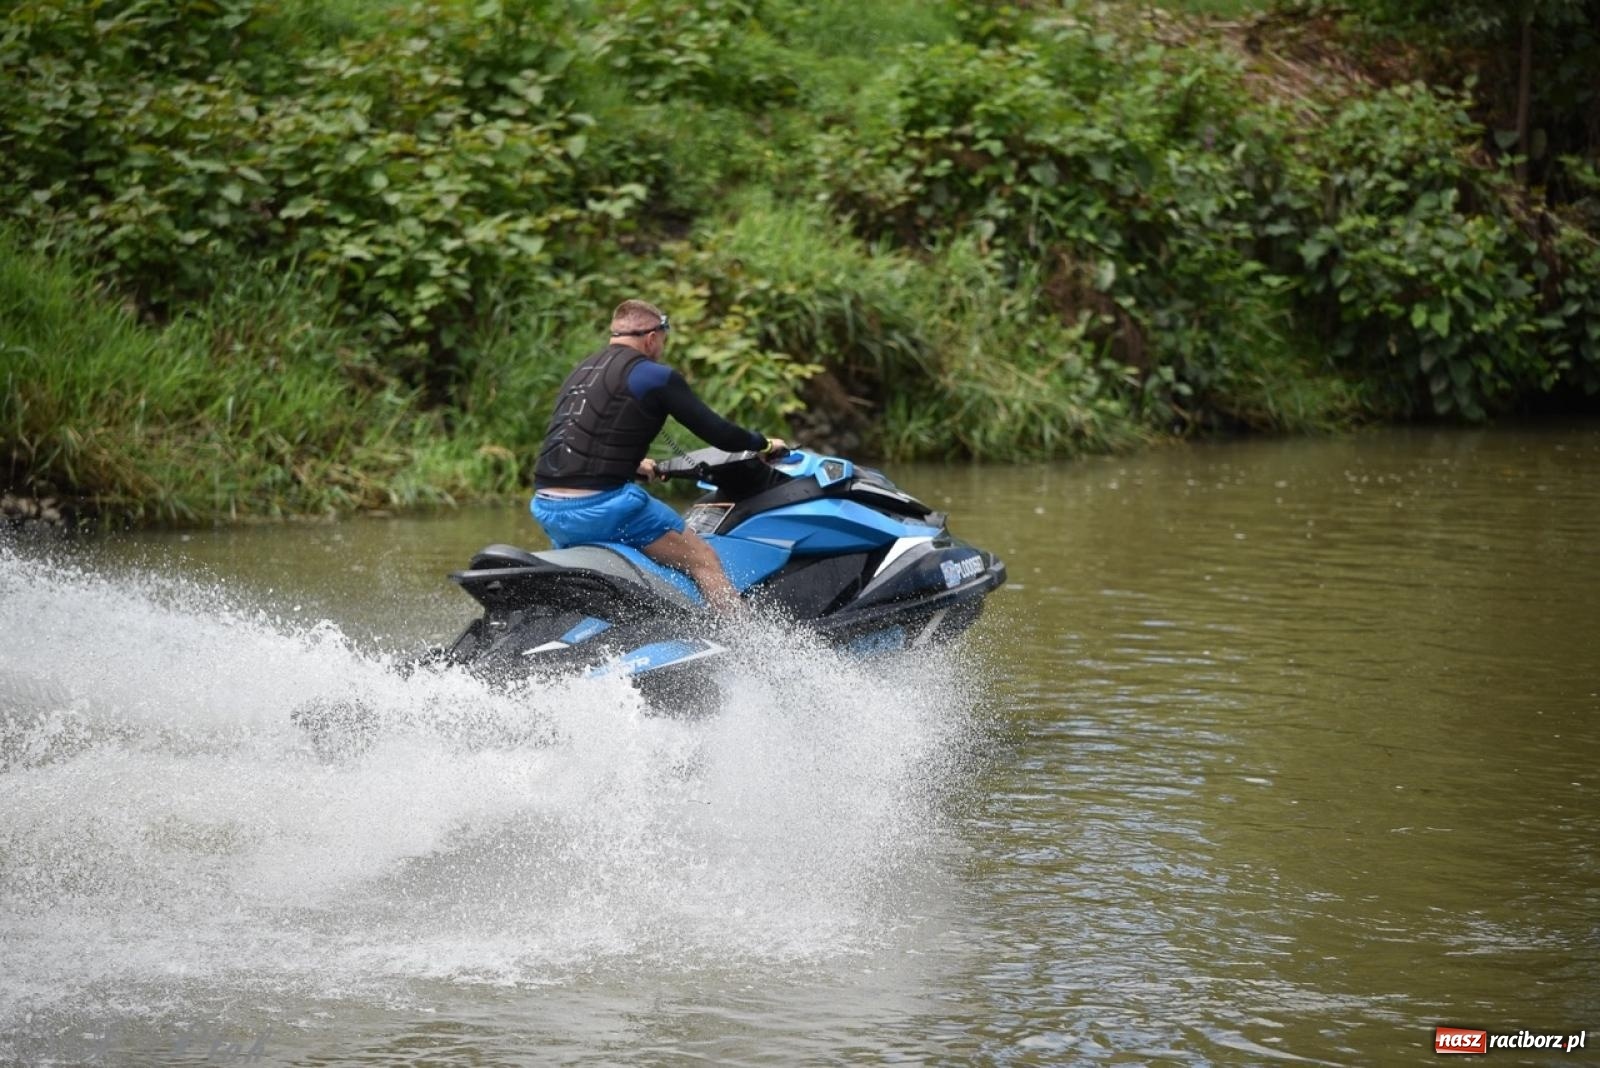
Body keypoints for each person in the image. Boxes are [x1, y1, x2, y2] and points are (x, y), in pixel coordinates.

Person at [530, 299, 788, 614]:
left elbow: (577, 435)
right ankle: (745, 649)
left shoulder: (582, 371)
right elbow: (721, 435)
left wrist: (632, 465)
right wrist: (763, 445)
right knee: (703, 560)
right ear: (652, 338)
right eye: (664, 339)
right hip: (604, 508)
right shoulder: (654, 376)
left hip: (547, 506)